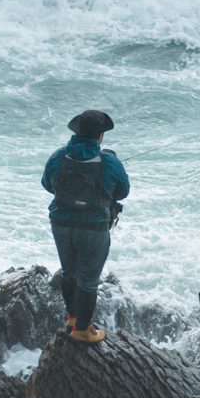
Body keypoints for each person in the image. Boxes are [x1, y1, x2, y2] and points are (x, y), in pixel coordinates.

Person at [41, 109, 129, 342]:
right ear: (100, 136)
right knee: (89, 280)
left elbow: (47, 184)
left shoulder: (59, 156)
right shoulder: (109, 161)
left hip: (60, 222)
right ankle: (82, 329)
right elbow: (123, 191)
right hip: (93, 228)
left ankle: (71, 317)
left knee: (69, 273)